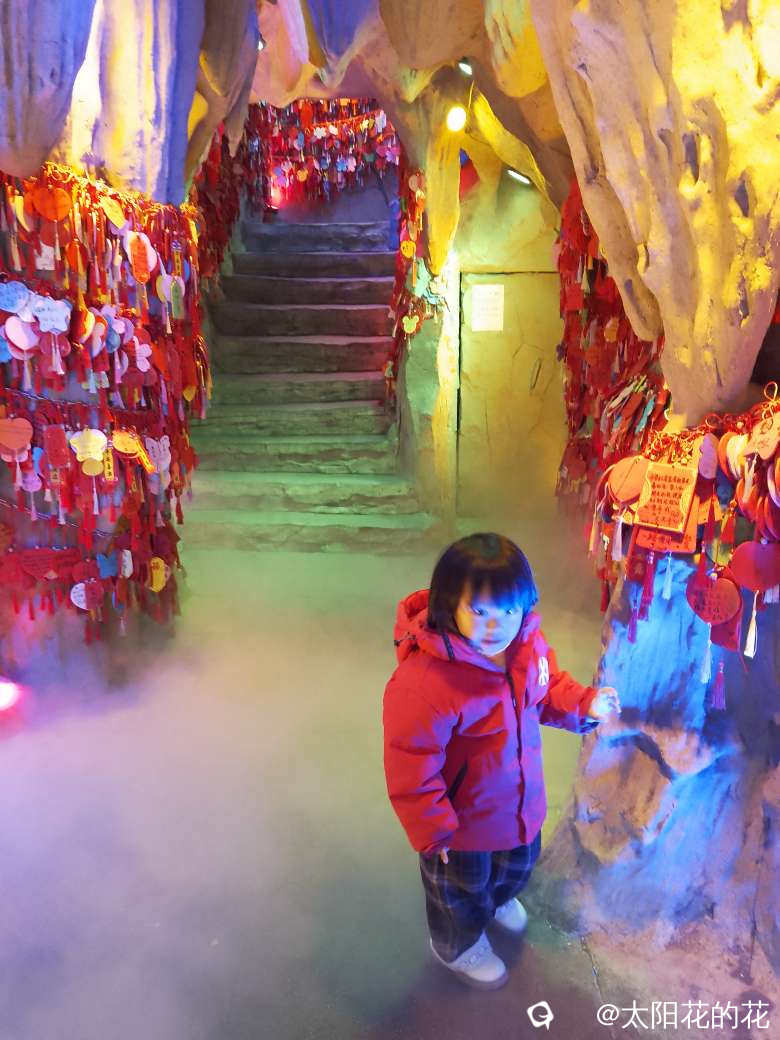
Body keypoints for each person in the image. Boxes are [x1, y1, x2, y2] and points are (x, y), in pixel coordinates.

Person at [382, 532, 621, 990]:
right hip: (462, 829)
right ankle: (457, 946)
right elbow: (410, 764)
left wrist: (585, 704)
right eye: (480, 611)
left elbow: (547, 690)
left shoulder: (527, 647)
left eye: (510, 610)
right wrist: (433, 829)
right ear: (450, 603)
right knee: (457, 892)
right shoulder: (424, 683)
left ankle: (496, 900)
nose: (497, 625)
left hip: (520, 809)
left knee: (516, 868)